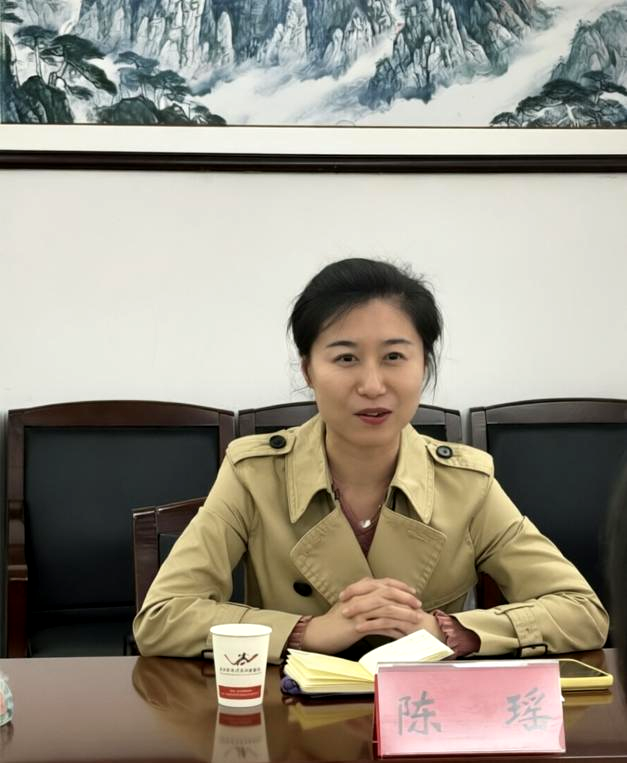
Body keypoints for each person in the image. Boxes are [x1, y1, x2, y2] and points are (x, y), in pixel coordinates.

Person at [133, 258, 608, 664]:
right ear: (308, 370)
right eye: (345, 359)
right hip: (291, 713)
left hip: (424, 714)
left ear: (424, 365)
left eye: (394, 356)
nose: (373, 385)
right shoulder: (253, 474)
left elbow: (582, 612)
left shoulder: (467, 482)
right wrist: (306, 632)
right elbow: (161, 617)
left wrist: (446, 631)